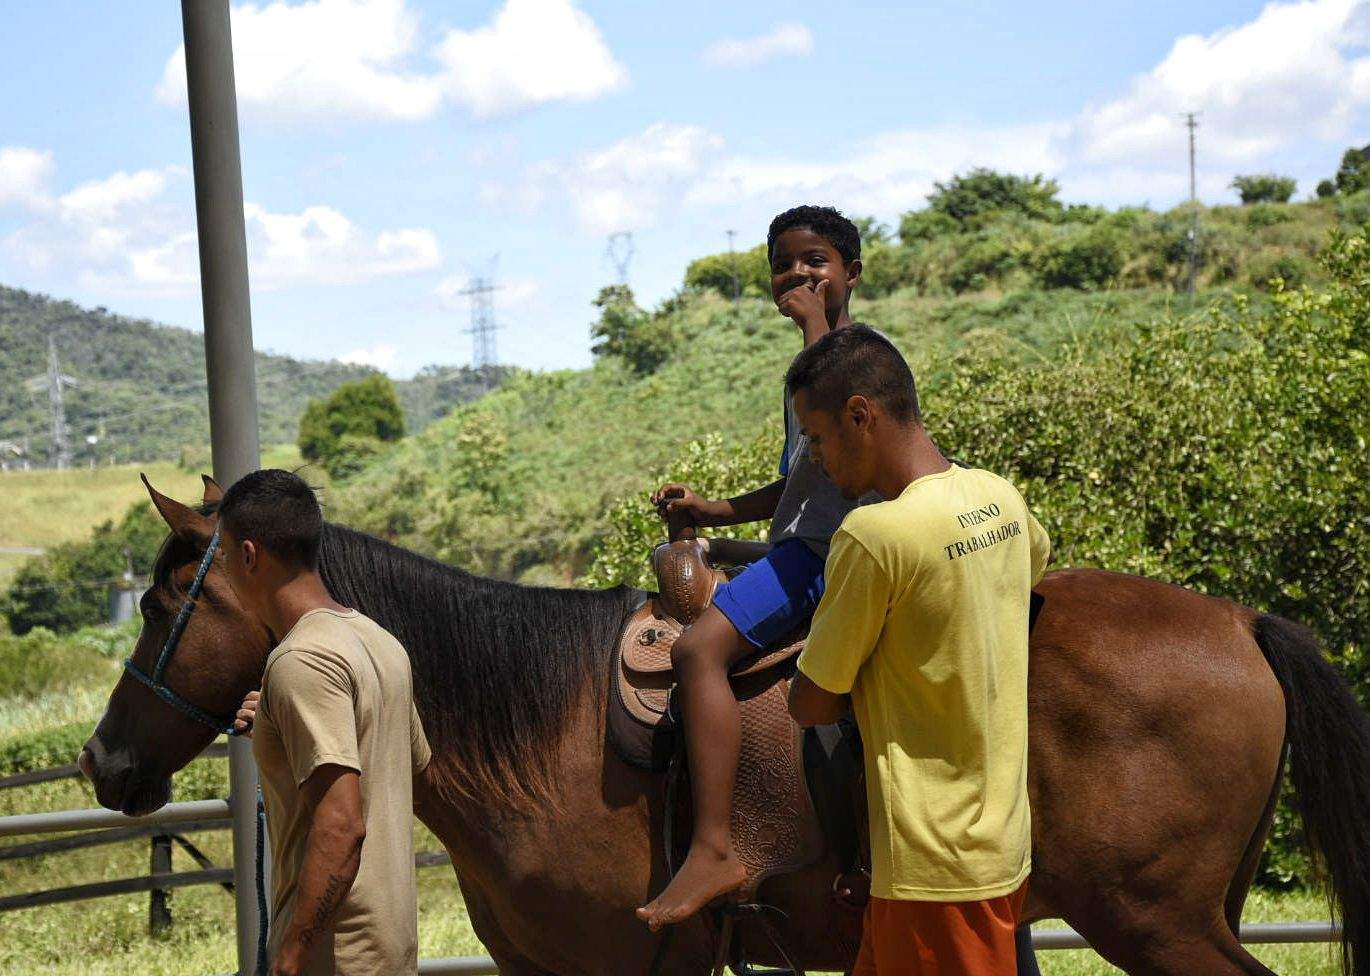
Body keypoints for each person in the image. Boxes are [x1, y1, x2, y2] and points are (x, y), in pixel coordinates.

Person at [785, 326, 1050, 975]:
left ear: (860, 416)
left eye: (816, 438)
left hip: (933, 869)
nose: (815, 459)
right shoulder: (999, 497)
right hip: (999, 845)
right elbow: (1034, 567)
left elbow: (813, 702)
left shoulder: (874, 536)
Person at [637, 205, 870, 931]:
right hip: (798, 540)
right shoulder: (813, 364)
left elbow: (836, 481)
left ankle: (713, 847)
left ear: (851, 275)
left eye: (816, 263)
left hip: (824, 554)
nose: (798, 275)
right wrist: (715, 512)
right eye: (784, 264)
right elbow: (804, 482)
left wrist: (811, 329)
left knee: (700, 648)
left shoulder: (853, 356)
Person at [217, 469, 431, 976]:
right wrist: (276, 722)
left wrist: (292, 954)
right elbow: (410, 770)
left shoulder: (300, 662)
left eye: (224, 556)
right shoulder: (378, 641)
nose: (225, 570)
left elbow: (341, 824)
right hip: (389, 949)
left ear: (249, 556)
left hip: (335, 958)